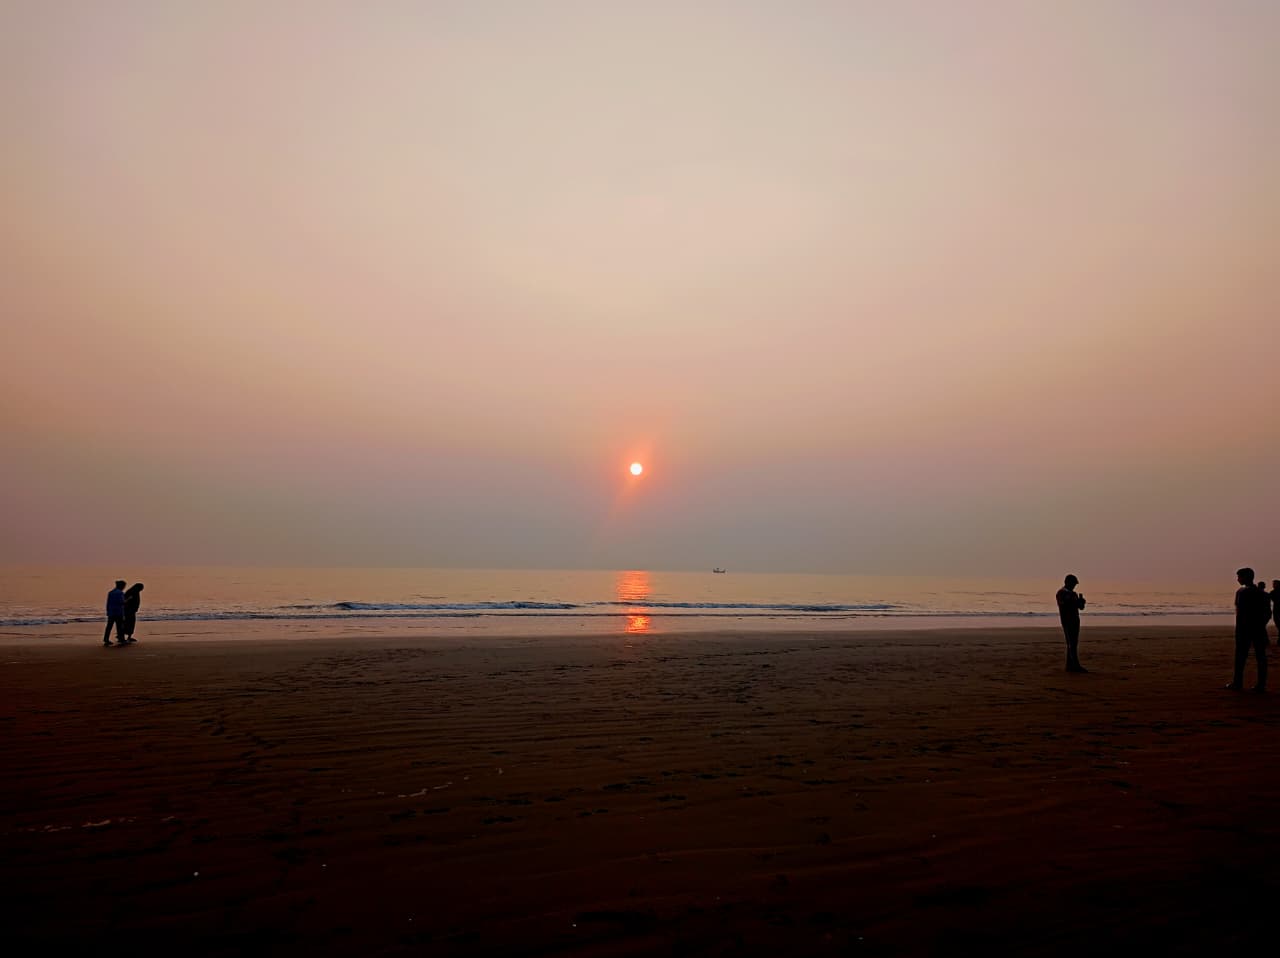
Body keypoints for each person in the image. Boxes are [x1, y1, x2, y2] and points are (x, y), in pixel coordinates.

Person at [1226, 567, 1269, 692]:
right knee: (1261, 657)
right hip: (1259, 629)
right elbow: (1267, 613)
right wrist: (1261, 625)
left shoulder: (1241, 592)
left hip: (1244, 630)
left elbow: (1240, 613)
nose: (1238, 579)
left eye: (1239, 577)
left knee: (1240, 657)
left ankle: (1237, 682)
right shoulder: (1263, 594)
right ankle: (1261, 685)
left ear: (1245, 578)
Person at [1055, 574, 1088, 673]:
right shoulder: (1061, 593)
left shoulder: (1073, 594)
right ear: (1067, 583)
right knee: (1071, 643)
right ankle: (1075, 665)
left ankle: (1070, 665)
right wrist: (1074, 601)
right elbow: (1063, 603)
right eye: (1073, 584)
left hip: (1075, 620)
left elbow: (1080, 608)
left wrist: (1081, 602)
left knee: (1073, 642)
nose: (1074, 586)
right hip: (1067, 620)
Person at [104, 580, 127, 647]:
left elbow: (108, 603)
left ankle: (106, 639)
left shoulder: (110, 592)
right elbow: (122, 602)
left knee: (109, 627)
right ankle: (121, 639)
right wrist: (128, 599)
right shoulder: (120, 593)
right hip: (118, 612)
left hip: (111, 612)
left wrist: (108, 611)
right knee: (120, 626)